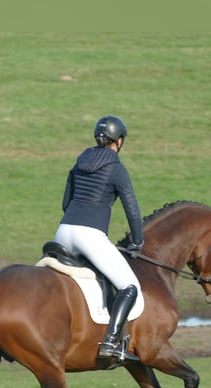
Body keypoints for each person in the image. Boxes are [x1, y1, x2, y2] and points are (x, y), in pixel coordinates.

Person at [54, 115, 144, 360]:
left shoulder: (79, 161)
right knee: (129, 286)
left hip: (63, 232)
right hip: (89, 234)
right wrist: (137, 241)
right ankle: (112, 341)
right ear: (119, 141)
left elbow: (66, 202)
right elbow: (132, 209)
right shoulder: (116, 168)